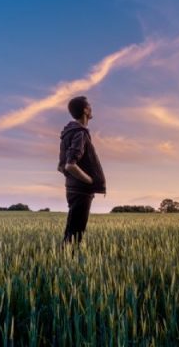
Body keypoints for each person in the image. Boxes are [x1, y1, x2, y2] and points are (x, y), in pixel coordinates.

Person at [58, 96, 106, 247]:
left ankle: (63, 261)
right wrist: (89, 181)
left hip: (72, 188)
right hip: (81, 190)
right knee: (76, 234)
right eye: (89, 106)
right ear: (85, 110)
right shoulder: (80, 133)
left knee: (72, 231)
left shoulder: (68, 133)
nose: (91, 108)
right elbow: (69, 165)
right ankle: (67, 264)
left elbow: (61, 166)